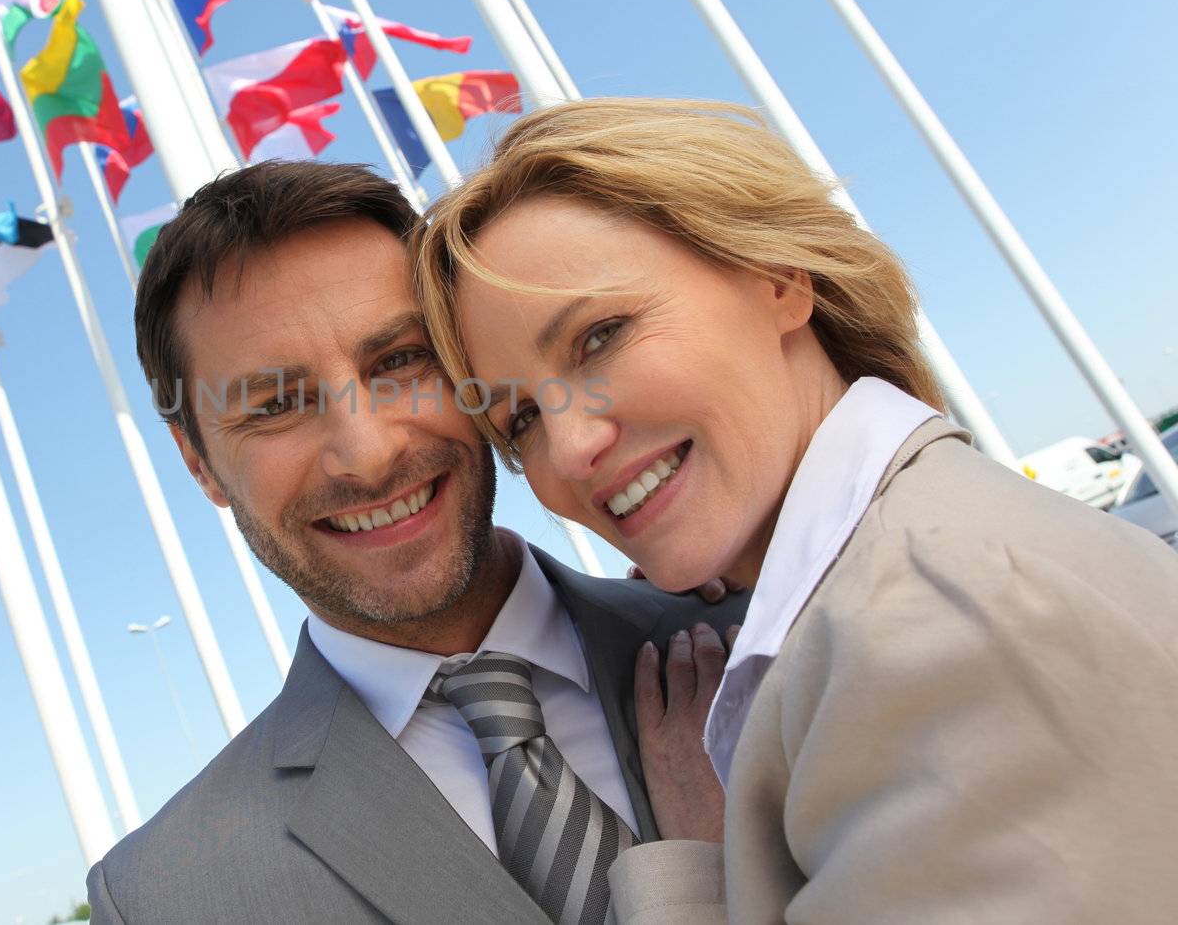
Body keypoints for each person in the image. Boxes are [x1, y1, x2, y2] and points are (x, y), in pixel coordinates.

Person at [412, 96, 1178, 923]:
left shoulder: (938, 631)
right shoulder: (891, 585)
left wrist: (711, 865)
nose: (566, 448)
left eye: (600, 336)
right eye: (519, 418)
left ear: (777, 276)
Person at [85, 160, 745, 924]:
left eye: (399, 360)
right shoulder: (163, 899)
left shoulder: (765, 630)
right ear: (199, 462)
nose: (367, 452)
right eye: (275, 405)